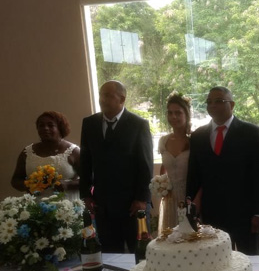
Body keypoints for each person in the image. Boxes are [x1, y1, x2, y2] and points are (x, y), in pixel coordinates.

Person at [186, 86, 259, 255]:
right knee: (215, 261)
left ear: (231, 105)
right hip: (212, 214)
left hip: (246, 214)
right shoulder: (198, 136)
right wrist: (190, 208)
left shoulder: (252, 133)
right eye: (209, 101)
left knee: (249, 261)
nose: (212, 105)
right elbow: (194, 175)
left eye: (219, 101)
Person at [79, 80, 154, 253]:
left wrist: (142, 199)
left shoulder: (138, 124)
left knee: (139, 253)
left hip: (133, 204)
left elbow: (145, 165)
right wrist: (86, 195)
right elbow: (85, 161)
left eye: (107, 95)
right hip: (103, 204)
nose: (102, 99)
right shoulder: (89, 123)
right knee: (110, 254)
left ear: (122, 99)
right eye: (101, 95)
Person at [11, 111, 81, 200]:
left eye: (50, 125)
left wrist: (68, 185)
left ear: (60, 128)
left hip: (68, 205)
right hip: (36, 206)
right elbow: (15, 181)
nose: (45, 128)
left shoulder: (74, 151)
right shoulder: (27, 152)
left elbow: (90, 180)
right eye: (41, 125)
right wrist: (29, 185)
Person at [158, 91, 191, 231]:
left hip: (188, 198)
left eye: (178, 113)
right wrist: (161, 184)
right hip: (170, 199)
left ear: (186, 114)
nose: (173, 117)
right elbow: (164, 166)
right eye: (170, 113)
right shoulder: (163, 141)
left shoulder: (194, 141)